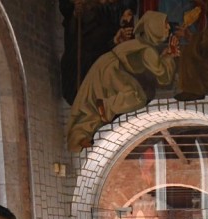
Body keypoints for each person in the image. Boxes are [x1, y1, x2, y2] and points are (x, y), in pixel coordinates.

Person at [67, 11, 178, 150]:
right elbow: (164, 77)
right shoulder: (148, 50)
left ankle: (79, 138)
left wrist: (165, 55)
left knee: (94, 104)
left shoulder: (142, 43)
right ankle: (106, 108)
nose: (168, 28)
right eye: (165, 24)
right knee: (137, 97)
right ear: (154, 27)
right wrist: (169, 57)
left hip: (108, 66)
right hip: (113, 69)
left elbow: (159, 72)